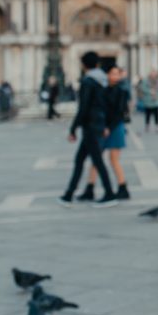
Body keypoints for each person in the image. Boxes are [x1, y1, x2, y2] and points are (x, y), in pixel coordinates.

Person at [58, 52, 117, 208]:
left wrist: (73, 129)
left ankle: (109, 193)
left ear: (84, 65)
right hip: (97, 123)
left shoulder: (88, 82)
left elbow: (83, 107)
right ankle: (69, 194)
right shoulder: (103, 80)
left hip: (90, 126)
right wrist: (105, 124)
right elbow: (106, 105)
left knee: (97, 161)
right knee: (80, 160)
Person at [77, 65, 131, 202]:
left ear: (120, 76)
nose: (114, 76)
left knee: (114, 160)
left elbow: (120, 113)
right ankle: (90, 188)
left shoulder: (122, 91)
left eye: (117, 74)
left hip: (115, 127)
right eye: (111, 73)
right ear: (107, 75)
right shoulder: (103, 90)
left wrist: (108, 128)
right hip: (102, 128)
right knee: (97, 159)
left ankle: (122, 187)